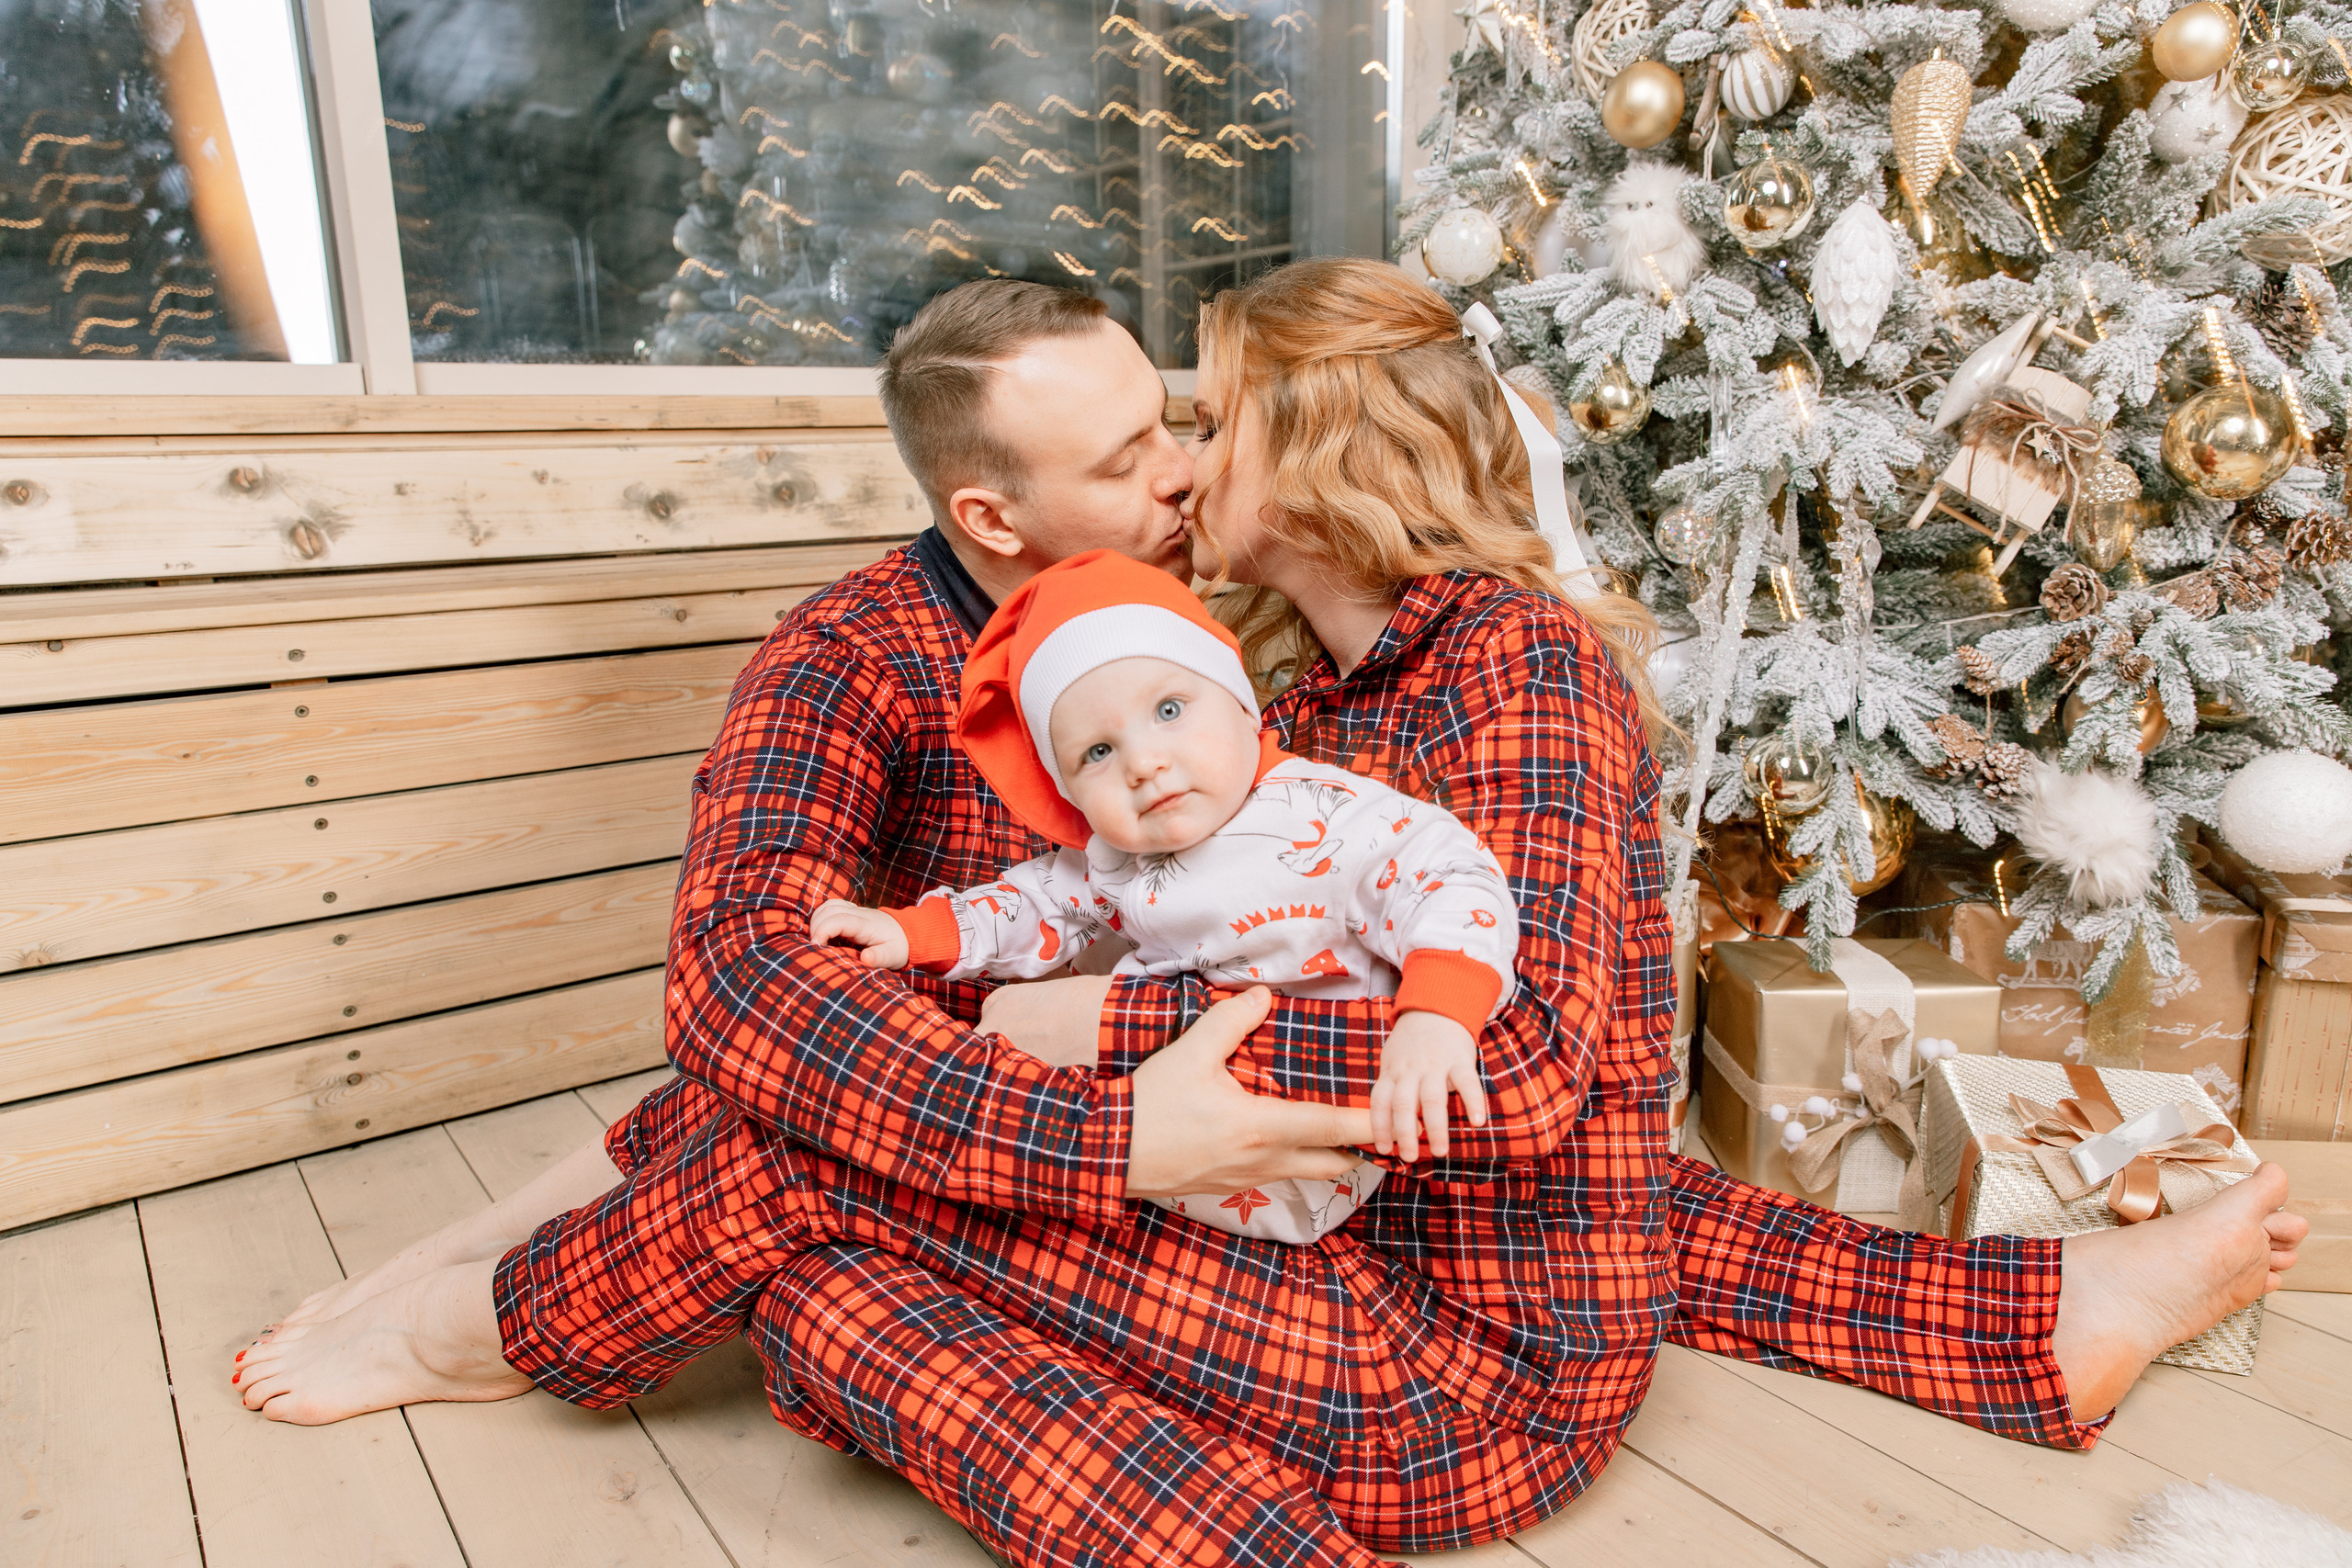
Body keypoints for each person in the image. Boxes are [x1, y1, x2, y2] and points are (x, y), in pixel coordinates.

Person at [232, 264, 2306, 1566]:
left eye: (1193, 422)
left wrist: (1096, 1055)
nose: (1174, 468)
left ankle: (495, 1317)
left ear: (1312, 463)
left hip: (1410, 1281)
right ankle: (2022, 1326)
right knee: (821, 1260)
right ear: (991, 513)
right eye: (1142, 442)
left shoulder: (1449, 669)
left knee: (810, 1196)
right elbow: (780, 986)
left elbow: (1511, 1060)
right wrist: (1064, 1069)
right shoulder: (1155, 682)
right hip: (1268, 1203)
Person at [810, 547, 1517, 1240]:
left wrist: (1436, 1017)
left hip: (1305, 1139)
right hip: (1146, 1137)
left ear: (1241, 703)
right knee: (932, 1123)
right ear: (1069, 792)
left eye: (1170, 709)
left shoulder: (1328, 814)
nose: (1144, 763)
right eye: (1097, 752)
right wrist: (911, 933)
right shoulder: (1112, 856)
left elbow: (1453, 879)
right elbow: (1030, 903)